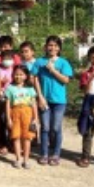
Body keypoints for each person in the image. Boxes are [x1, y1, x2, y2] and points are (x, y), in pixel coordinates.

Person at [34, 36, 74, 166]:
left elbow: (66, 80)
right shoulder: (39, 62)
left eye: (56, 46)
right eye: (50, 45)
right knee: (45, 127)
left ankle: (56, 154)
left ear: (59, 48)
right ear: (46, 47)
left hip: (59, 101)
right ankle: (44, 154)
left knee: (56, 128)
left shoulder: (63, 63)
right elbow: (35, 79)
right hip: (44, 100)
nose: (53, 48)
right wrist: (40, 96)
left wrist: (52, 70)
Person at [5, 66, 39, 170]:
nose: (18, 76)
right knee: (16, 137)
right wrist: (8, 118)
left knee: (27, 137)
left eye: (21, 74)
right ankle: (18, 159)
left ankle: (26, 160)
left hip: (27, 113)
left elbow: (33, 104)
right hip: (15, 112)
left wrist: (35, 118)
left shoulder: (30, 88)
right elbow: (7, 104)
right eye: (16, 74)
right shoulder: (10, 88)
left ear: (26, 76)